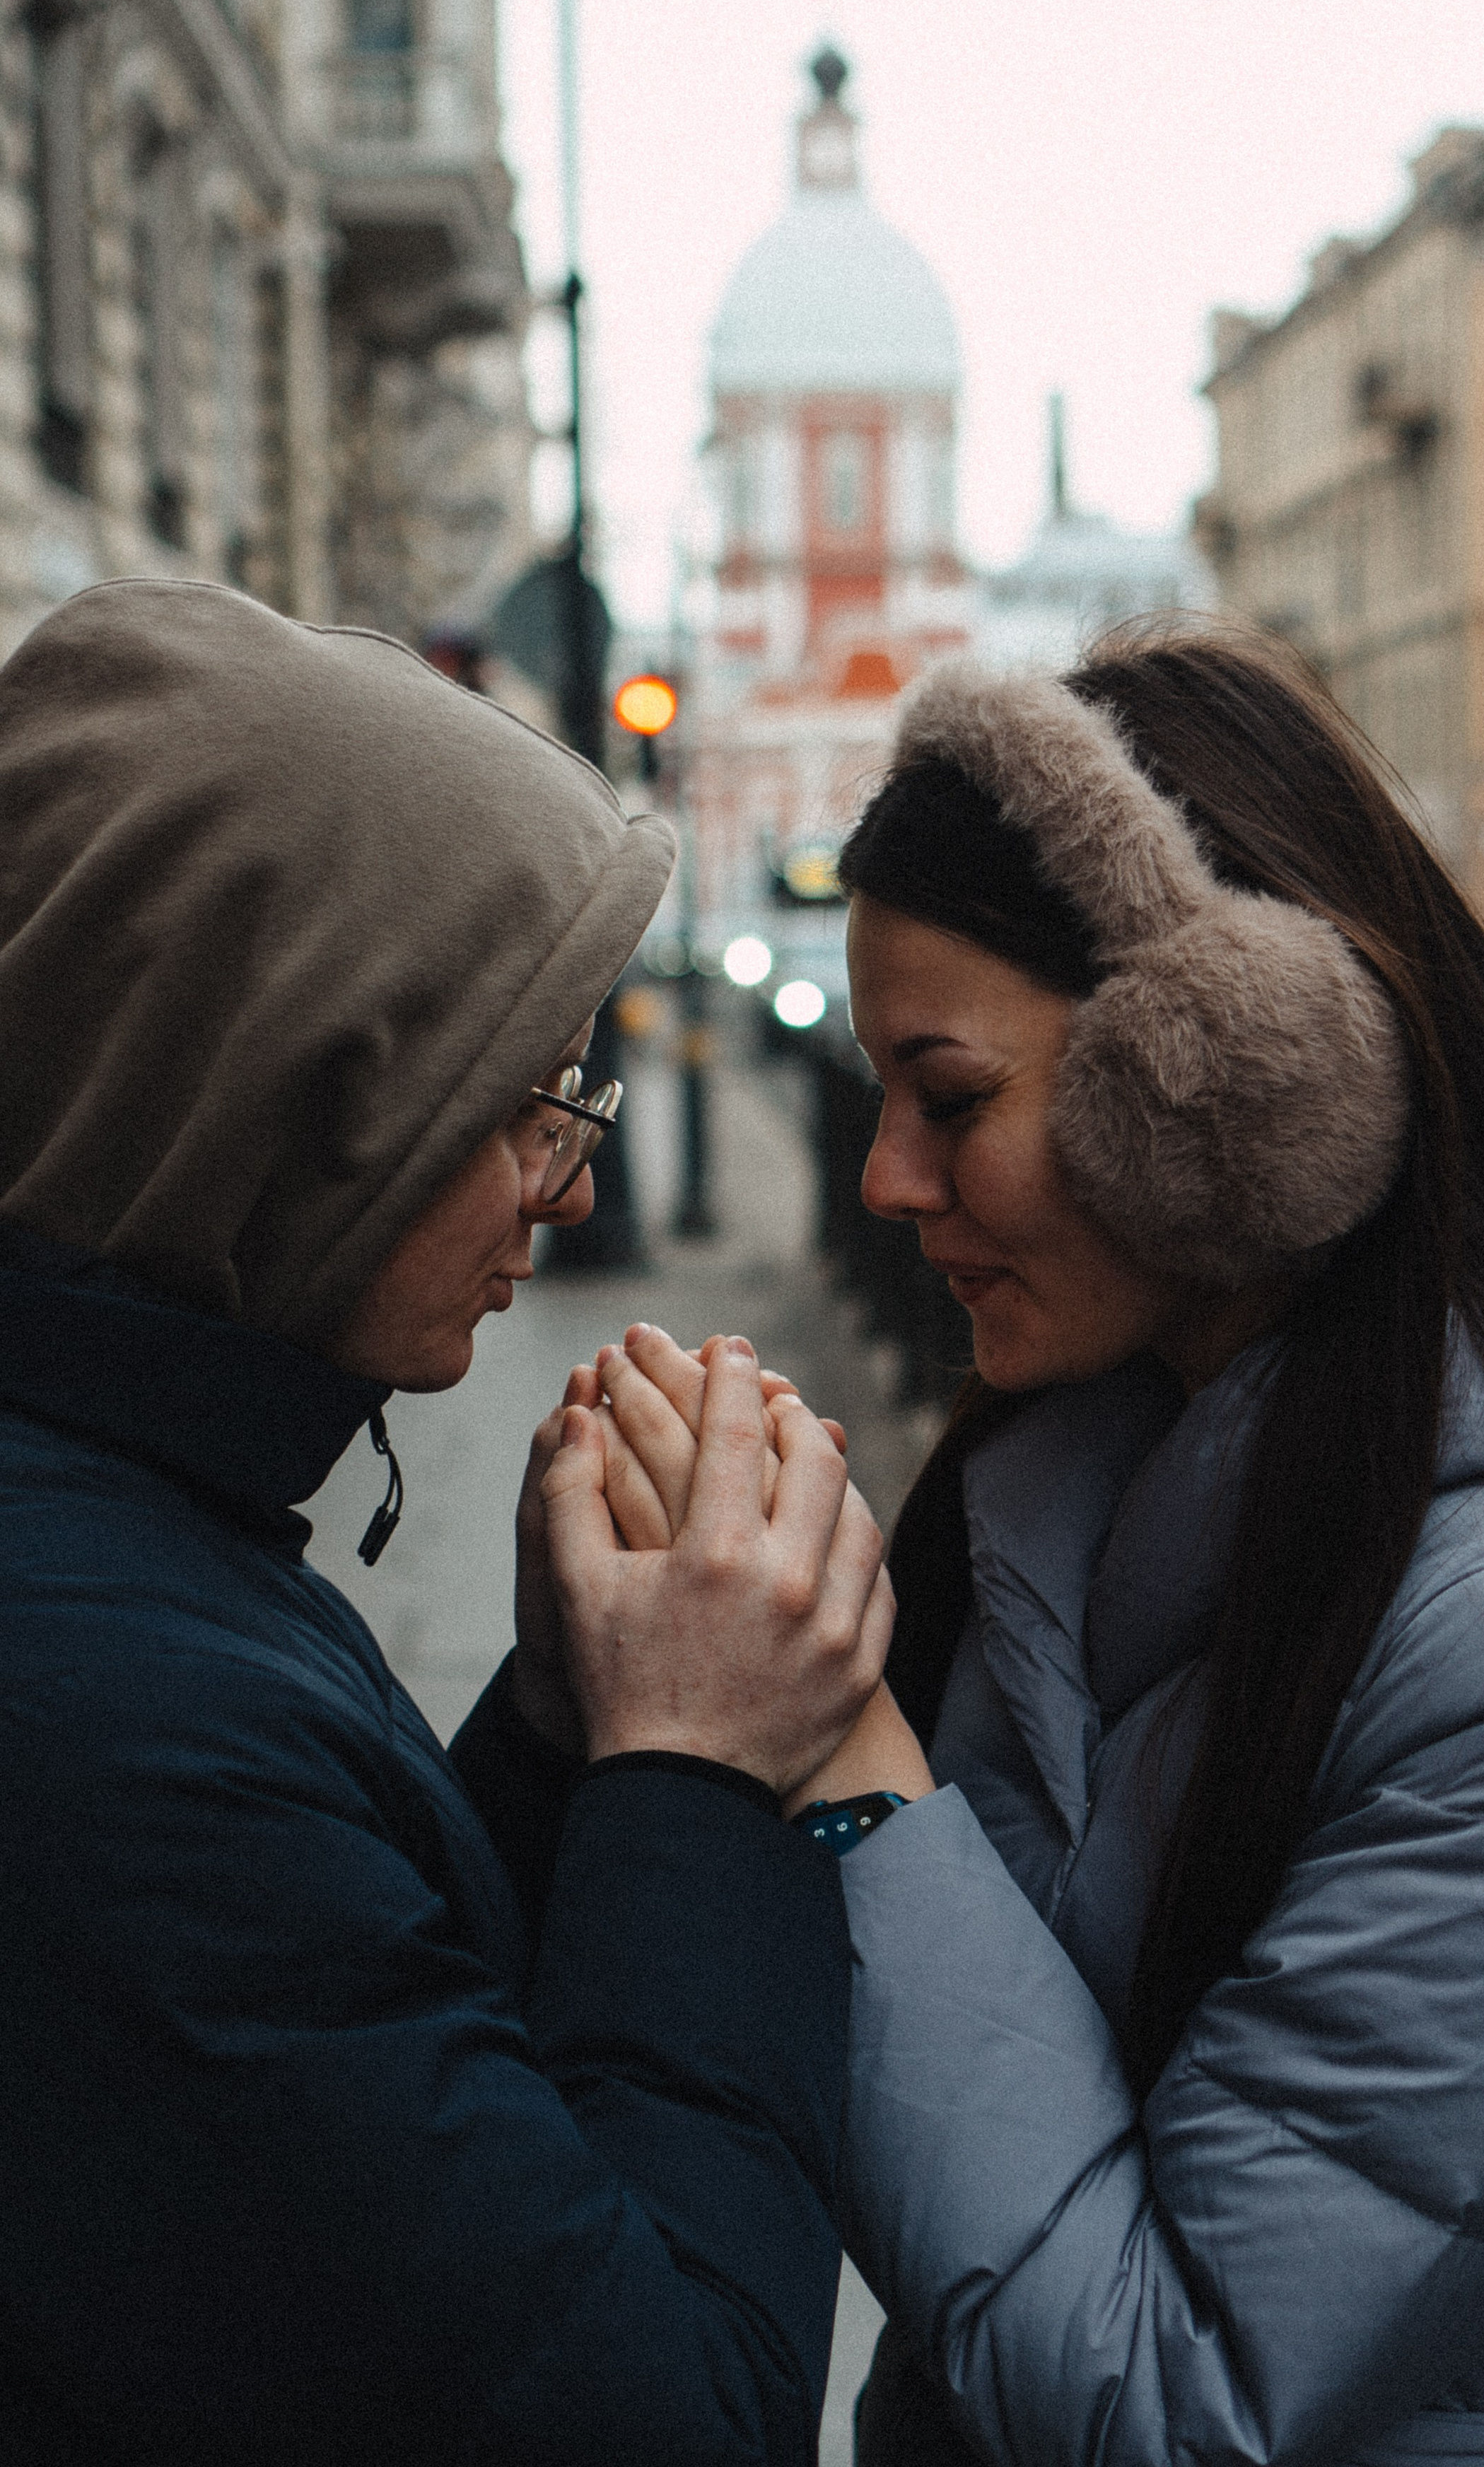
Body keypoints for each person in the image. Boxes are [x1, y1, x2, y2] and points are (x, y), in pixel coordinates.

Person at [587, 626, 1484, 2467]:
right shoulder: (1102, 1450)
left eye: (953, 1097)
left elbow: (1177, 2399)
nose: (887, 1180)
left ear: (1224, 1082)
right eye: (879, 1095)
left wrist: (834, 1755)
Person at [0, 578, 892, 2466]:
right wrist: (699, 1770)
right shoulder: (114, 1725)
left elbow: (357, 2096)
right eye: (528, 1103)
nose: (568, 1193)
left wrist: (563, 1740)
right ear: (297, 1100)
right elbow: (663, 2419)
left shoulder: (131, 1507)